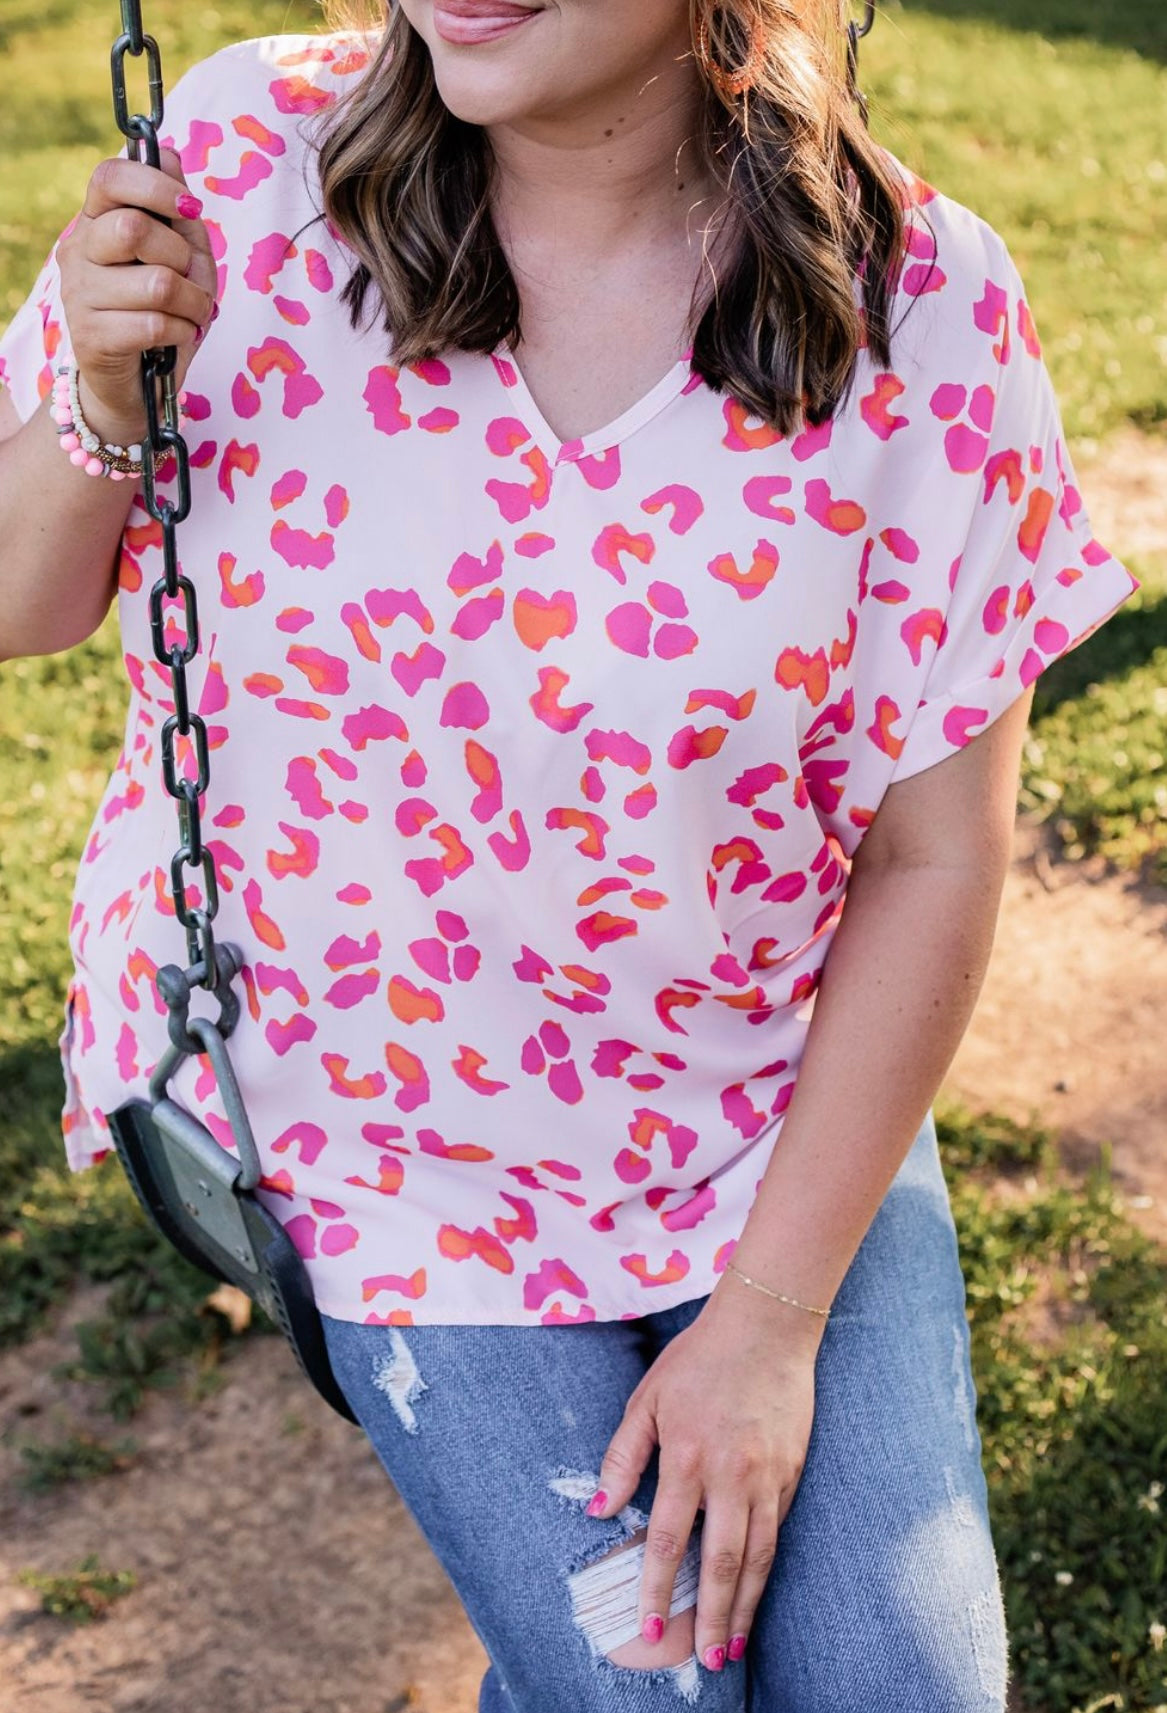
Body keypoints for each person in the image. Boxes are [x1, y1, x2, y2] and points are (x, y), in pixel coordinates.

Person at [0, 2, 1141, 1707]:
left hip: (753, 1095)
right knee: (634, 1686)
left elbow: (932, 862)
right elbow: (25, 603)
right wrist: (102, 392)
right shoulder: (245, 166)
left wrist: (764, 1323)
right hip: (382, 1129)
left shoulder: (929, 317)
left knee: (905, 1687)